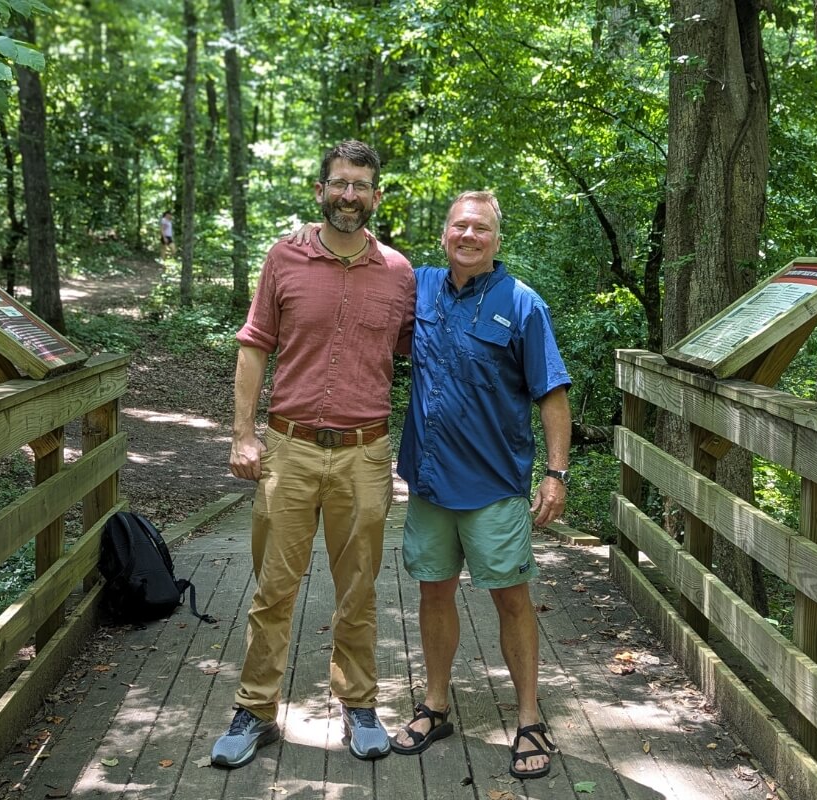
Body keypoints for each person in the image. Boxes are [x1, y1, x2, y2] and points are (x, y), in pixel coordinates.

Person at [211, 140, 415, 770]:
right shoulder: (285, 257)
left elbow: (425, 356)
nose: (349, 195)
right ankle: (255, 709)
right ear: (320, 190)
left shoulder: (401, 273)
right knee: (274, 589)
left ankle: (357, 704)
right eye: (339, 183)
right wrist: (243, 435)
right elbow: (254, 346)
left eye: (361, 185)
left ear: (376, 196)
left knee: (358, 590)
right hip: (289, 449)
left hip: (364, 452)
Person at [392, 191, 571, 780]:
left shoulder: (522, 305)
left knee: (511, 599)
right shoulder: (418, 287)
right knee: (433, 592)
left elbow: (551, 392)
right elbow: (358, 265)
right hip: (430, 481)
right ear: (444, 232)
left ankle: (527, 717)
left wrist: (555, 473)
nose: (468, 235)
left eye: (481, 228)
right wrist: (304, 236)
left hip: (495, 485)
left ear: (497, 238)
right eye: (459, 225)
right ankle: (436, 704)